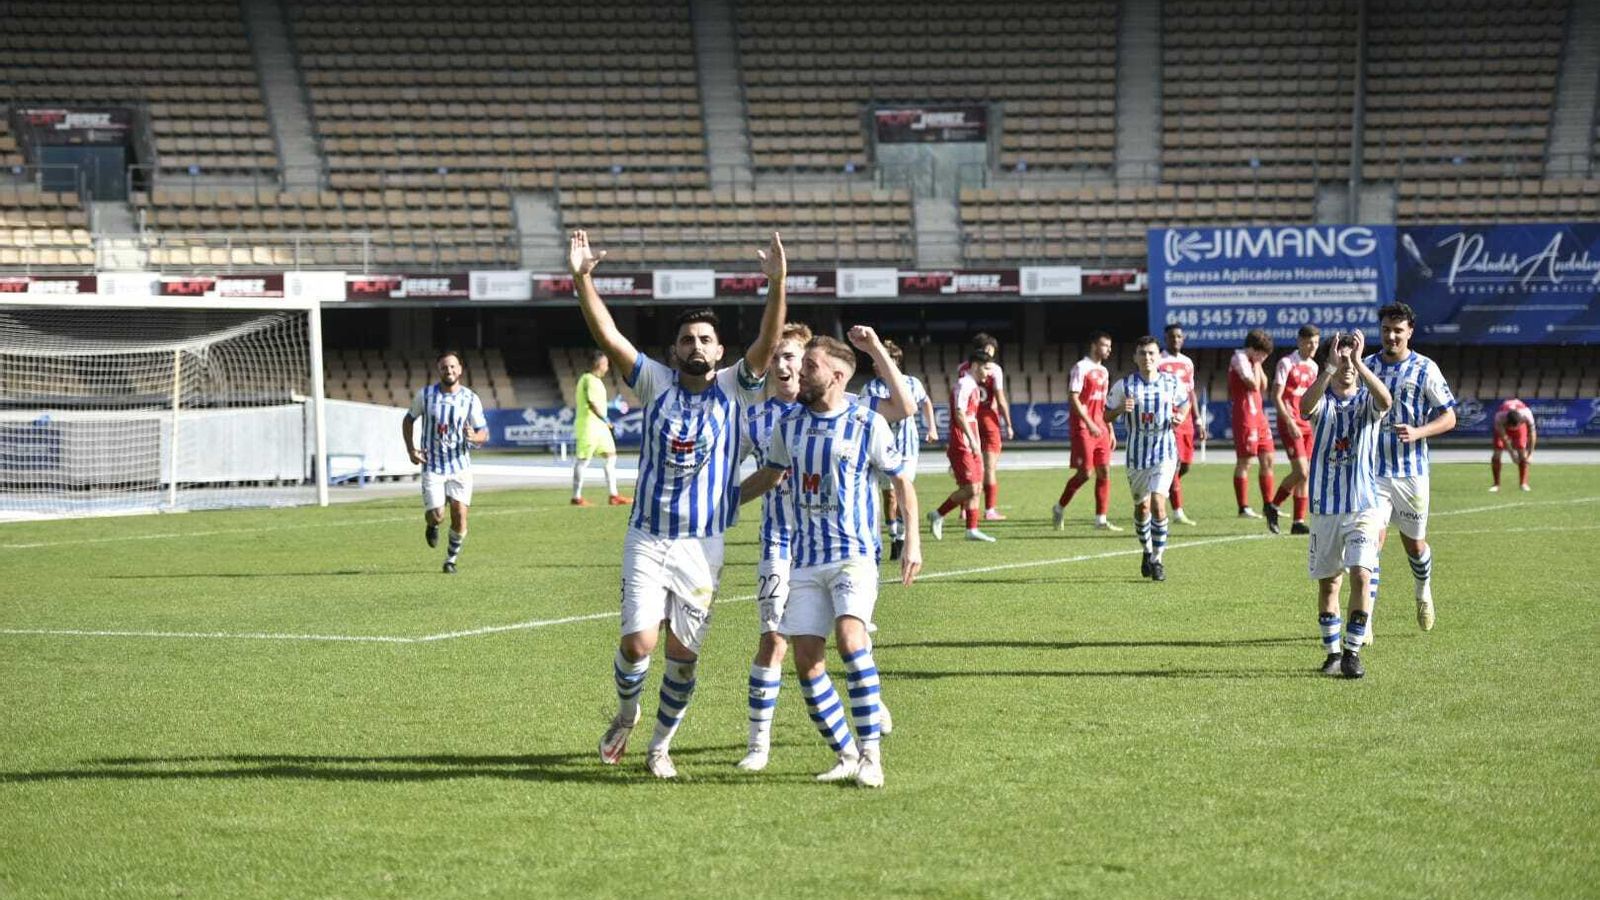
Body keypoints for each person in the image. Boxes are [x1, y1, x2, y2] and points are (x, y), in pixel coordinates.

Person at [571, 228, 787, 779]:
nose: (696, 347)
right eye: (687, 339)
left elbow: (767, 340)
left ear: (720, 351)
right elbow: (610, 335)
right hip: (647, 536)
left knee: (682, 656)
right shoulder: (655, 382)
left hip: (703, 545)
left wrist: (777, 284)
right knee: (638, 641)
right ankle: (626, 715)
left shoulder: (738, 387)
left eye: (706, 340)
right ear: (674, 351)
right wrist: (582, 280)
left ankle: (660, 747)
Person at [741, 334, 922, 788]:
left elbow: (902, 482)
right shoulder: (790, 425)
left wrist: (913, 543)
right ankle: (844, 753)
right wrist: (724, 502)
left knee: (850, 638)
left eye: (810, 367)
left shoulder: (865, 421)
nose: (800, 374)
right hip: (803, 558)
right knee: (806, 660)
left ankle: (871, 757)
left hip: (853, 556)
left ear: (838, 376)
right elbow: (770, 473)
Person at [1301, 330, 1393, 679]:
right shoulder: (1322, 401)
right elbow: (1303, 407)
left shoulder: (1365, 403)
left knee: (1361, 573)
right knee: (1330, 584)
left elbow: (1385, 401)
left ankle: (1353, 652)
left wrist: (1359, 363)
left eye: (1352, 358)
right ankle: (1332, 652)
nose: (1348, 365)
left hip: (1362, 507)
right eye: (1341, 357)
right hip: (1326, 507)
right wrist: (1327, 370)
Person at [1365, 301, 1457, 634]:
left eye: (1398, 331)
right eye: (1386, 330)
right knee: (1369, 543)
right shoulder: (1367, 367)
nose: (1391, 336)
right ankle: (1365, 620)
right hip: (1372, 473)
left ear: (1410, 332)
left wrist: (1419, 432)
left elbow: (1449, 416)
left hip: (1412, 473)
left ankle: (1423, 592)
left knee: (1414, 546)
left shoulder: (1425, 369)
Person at [1105, 336, 1189, 582]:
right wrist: (1121, 409)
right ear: (1135, 357)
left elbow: (1184, 405)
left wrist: (1180, 417)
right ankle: (1147, 549)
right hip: (1136, 454)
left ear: (1159, 357)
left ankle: (1158, 560)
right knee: (1142, 508)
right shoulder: (1125, 386)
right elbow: (1105, 416)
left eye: (1152, 353)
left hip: (1165, 450)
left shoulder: (1172, 383)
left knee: (1158, 503)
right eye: (1142, 353)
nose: (1147, 358)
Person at [402, 350, 489, 575]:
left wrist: (474, 437)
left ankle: (451, 560)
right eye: (444, 367)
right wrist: (411, 450)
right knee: (437, 515)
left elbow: (483, 432)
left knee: (459, 515)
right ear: (438, 370)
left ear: (460, 369)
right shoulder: (426, 396)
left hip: (460, 466)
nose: (448, 370)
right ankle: (431, 525)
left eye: (452, 367)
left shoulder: (470, 398)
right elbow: (408, 420)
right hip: (433, 465)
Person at [864, 339, 937, 561]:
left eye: (882, 359)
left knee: (903, 489)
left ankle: (904, 536)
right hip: (882, 448)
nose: (877, 364)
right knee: (889, 496)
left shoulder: (912, 383)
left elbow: (925, 402)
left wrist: (931, 427)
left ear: (894, 361)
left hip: (908, 448)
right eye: (875, 360)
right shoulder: (871, 387)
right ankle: (894, 535)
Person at [929, 347, 997, 542]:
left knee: (976, 487)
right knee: (969, 488)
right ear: (975, 366)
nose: (988, 373)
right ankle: (938, 514)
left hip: (971, 440)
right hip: (962, 441)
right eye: (986, 368)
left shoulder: (973, 386)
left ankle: (971, 530)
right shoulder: (963, 385)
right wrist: (973, 441)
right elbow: (959, 414)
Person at [1054, 331, 1119, 531]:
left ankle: (1101, 519)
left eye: (1110, 346)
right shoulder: (1081, 368)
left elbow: (1104, 404)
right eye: (1105, 345)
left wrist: (1110, 429)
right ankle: (1059, 507)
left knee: (1105, 471)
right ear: (1094, 346)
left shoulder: (1105, 371)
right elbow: (1073, 397)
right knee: (1085, 473)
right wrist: (1089, 423)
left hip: (1101, 427)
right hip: (1084, 427)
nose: (1108, 349)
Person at [1265, 325, 1321, 535]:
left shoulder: (1314, 367)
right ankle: (1274, 505)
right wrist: (1288, 421)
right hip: (1291, 423)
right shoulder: (1287, 363)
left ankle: (1298, 521)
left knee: (1305, 475)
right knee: (1302, 471)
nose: (1312, 347)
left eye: (1315, 343)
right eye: (1309, 342)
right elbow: (1276, 396)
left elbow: (1312, 398)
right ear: (1299, 342)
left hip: (1307, 424)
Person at [956, 333, 1014, 520]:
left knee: (970, 468)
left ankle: (964, 509)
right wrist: (1008, 423)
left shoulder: (962, 369)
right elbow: (1000, 397)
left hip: (969, 418)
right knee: (989, 468)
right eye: (990, 350)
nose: (992, 355)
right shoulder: (994, 369)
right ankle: (989, 510)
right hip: (987, 418)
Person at [571, 349, 631, 507]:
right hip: (589, 426)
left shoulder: (597, 381)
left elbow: (599, 403)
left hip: (600, 427)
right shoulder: (588, 379)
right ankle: (576, 497)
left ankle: (614, 495)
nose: (607, 367)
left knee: (611, 457)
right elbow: (591, 403)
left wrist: (612, 406)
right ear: (598, 364)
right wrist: (606, 419)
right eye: (606, 364)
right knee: (583, 460)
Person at [1229, 329, 1277, 518]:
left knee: (1268, 458)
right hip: (1245, 415)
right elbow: (1254, 385)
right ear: (1252, 349)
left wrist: (1258, 363)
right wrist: (1257, 363)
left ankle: (1268, 504)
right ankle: (1243, 507)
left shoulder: (1253, 361)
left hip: (1258, 415)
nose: (1263, 357)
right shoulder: (1240, 358)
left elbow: (1264, 385)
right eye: (1262, 353)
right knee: (1245, 461)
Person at [1158, 324, 1199, 526]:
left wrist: (1198, 418)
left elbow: (1191, 392)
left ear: (1183, 339)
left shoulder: (1187, 363)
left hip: (1187, 420)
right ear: (1166, 338)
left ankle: (1163, 491)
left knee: (1186, 466)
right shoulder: (1159, 360)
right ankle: (1177, 511)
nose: (1175, 339)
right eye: (1172, 336)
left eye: (1179, 336)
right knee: (1174, 465)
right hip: (1169, 419)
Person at [1491, 399, 1537, 492]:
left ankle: (1523, 484)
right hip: (1503, 425)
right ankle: (1496, 484)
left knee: (1522, 451)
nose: (1513, 429)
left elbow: (1532, 434)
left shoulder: (1527, 414)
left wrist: (1530, 454)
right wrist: (1512, 454)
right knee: (1497, 452)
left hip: (1520, 426)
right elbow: (1504, 437)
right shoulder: (1499, 417)